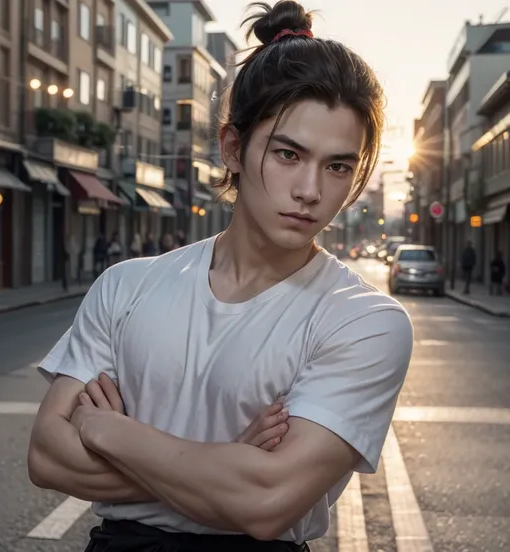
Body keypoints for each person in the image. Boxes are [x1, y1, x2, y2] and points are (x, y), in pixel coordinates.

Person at [28, 2, 413, 550]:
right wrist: (224, 462)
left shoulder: (366, 321)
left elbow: (263, 504)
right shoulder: (126, 286)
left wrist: (104, 430)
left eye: (338, 166)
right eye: (287, 153)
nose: (310, 189)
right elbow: (45, 455)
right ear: (233, 148)